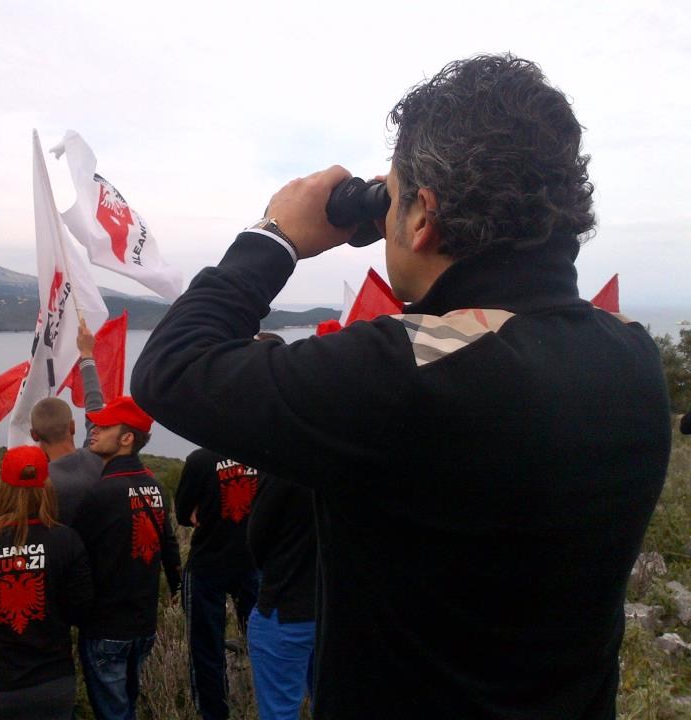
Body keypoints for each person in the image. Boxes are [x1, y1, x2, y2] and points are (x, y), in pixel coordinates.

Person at [131, 54, 672, 719]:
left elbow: (172, 368)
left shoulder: (412, 373)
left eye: (394, 200)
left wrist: (273, 236)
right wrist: (394, 195)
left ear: (422, 219)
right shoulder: (629, 354)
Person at [0, 445, 92, 720]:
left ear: (3, 489)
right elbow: (81, 609)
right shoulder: (67, 540)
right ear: (46, 488)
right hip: (52, 682)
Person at [71, 395, 182, 720]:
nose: (94, 429)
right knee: (128, 706)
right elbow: (169, 544)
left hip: (105, 627)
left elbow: (76, 560)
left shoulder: (100, 494)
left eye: (104, 426)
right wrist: (177, 586)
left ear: (127, 438)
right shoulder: (154, 488)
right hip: (143, 624)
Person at [176, 447, 259, 720]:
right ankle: (264, 706)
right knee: (264, 642)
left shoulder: (200, 460)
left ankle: (214, 713)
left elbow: (183, 514)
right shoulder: (263, 453)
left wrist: (204, 506)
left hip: (209, 562)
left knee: (206, 651)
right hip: (254, 559)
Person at [246, 476, 317, 720]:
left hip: (286, 605)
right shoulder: (352, 464)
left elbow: (257, 539)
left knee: (279, 710)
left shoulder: (282, 469)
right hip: (335, 607)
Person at [31, 320, 105, 526]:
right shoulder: (99, 459)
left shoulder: (40, 486)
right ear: (72, 427)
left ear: (34, 435)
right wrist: (86, 354)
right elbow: (95, 407)